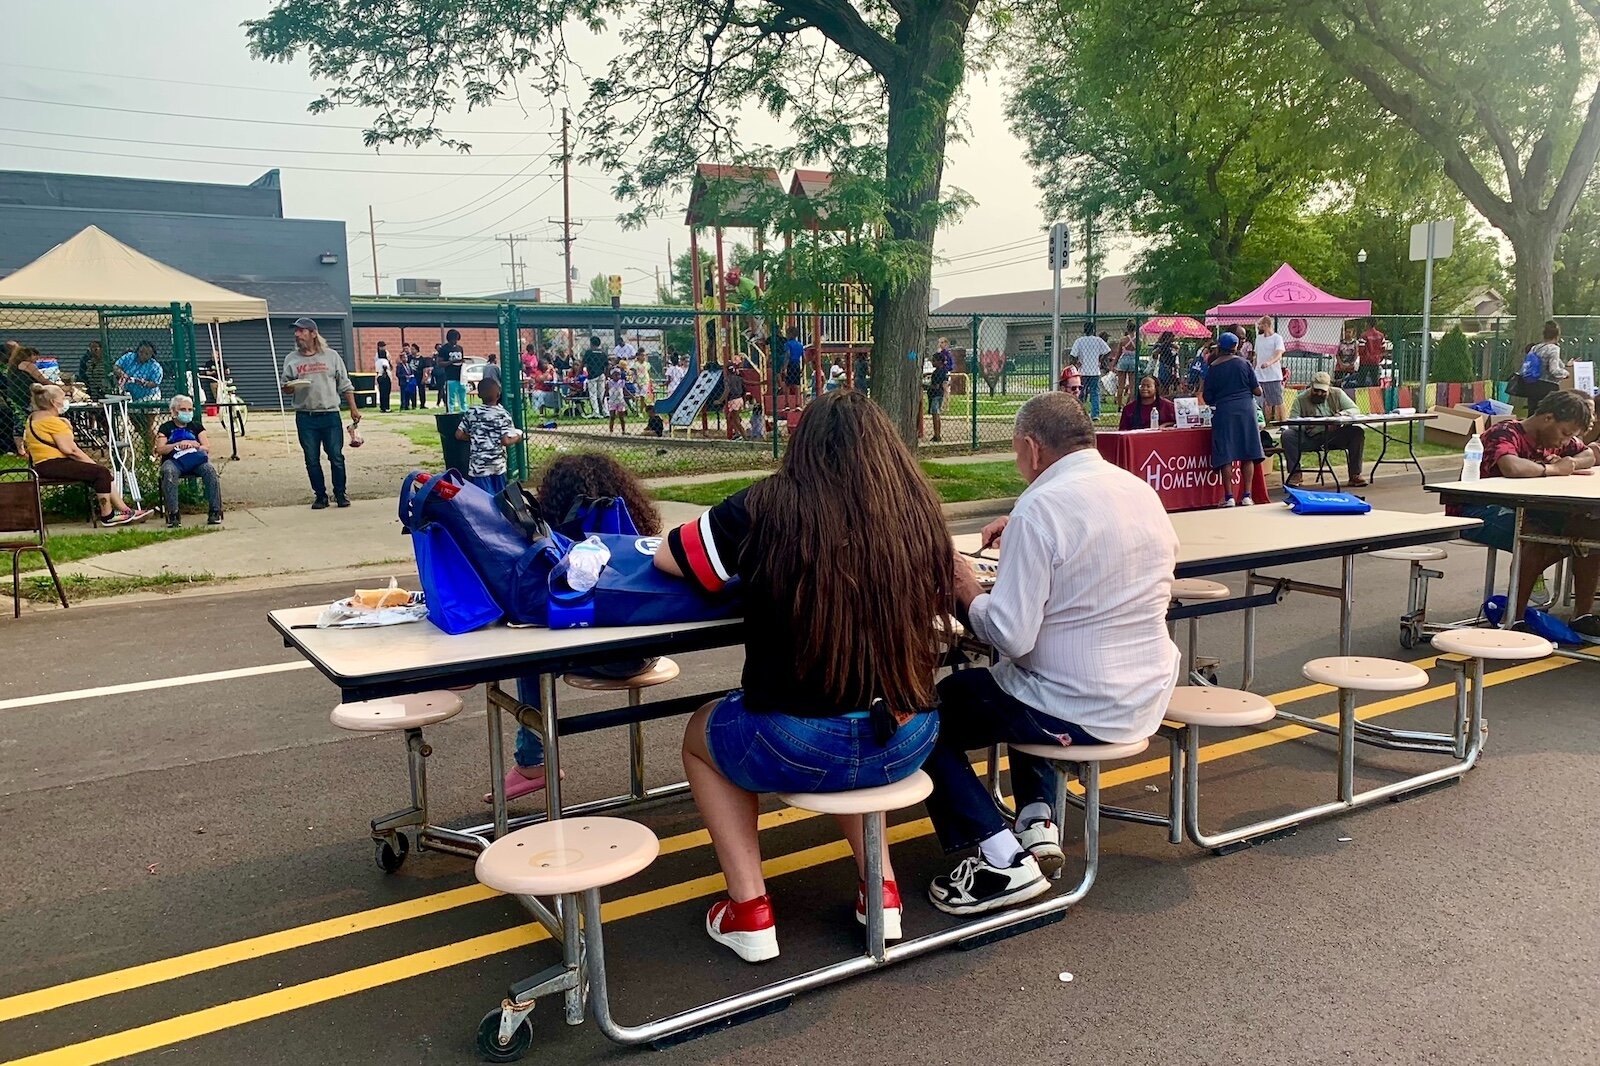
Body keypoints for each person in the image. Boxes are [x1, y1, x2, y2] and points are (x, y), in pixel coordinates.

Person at [652, 390, 947, 959]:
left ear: (802, 444)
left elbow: (673, 557)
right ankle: (882, 893)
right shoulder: (917, 509)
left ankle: (749, 909)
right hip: (910, 733)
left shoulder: (765, 505)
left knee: (700, 735)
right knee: (859, 727)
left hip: (798, 741)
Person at [923, 391, 1179, 915]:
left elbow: (1011, 635)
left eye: (1019, 456)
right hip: (1145, 694)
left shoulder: (1042, 507)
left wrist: (967, 589)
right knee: (1013, 684)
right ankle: (1037, 820)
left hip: (1079, 707)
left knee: (926, 716)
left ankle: (999, 858)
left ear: (1031, 449)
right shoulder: (1138, 491)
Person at [489, 453, 667, 803]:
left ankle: (533, 762)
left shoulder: (559, 540)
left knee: (530, 653)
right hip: (648, 651)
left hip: (599, 657)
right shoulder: (635, 528)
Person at [1447, 391, 1600, 630]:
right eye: (1565, 433)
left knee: (1592, 531)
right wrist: (1551, 470)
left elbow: (1590, 454)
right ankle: (1514, 619)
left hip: (1531, 510)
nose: (1564, 442)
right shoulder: (1506, 432)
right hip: (1477, 511)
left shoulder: (1556, 440)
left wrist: (1571, 463)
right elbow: (1511, 466)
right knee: (1534, 537)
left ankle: (1582, 616)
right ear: (1548, 418)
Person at [24, 383, 149, 526]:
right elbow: (70, 450)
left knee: (103, 474)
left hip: (41, 465)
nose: (66, 401)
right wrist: (91, 462)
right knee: (100, 472)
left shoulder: (33, 418)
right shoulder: (54, 423)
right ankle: (108, 515)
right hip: (54, 463)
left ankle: (125, 510)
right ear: (53, 402)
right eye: (63, 397)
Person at [282, 316, 361, 510]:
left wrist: (353, 408)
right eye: (296, 331)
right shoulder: (291, 359)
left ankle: (341, 494)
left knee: (336, 455)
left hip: (330, 414)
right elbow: (286, 385)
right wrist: (290, 387)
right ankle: (320, 496)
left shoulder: (331, 356)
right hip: (305, 416)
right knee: (311, 458)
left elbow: (345, 384)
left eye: (301, 331)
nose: (297, 335)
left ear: (313, 333)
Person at [1196, 332, 1263, 507]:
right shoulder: (1244, 363)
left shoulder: (1214, 368)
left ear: (1219, 347)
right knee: (1247, 452)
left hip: (1224, 411)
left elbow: (1208, 397)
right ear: (1236, 347)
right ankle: (1247, 495)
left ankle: (1229, 497)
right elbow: (1258, 392)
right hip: (1246, 410)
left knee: (1226, 454)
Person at [1282, 371, 1368, 488]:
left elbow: (1355, 409)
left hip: (1333, 436)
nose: (1319, 393)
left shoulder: (1337, 393)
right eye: (1316, 390)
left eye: (1323, 391)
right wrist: (1305, 426)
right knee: (1288, 435)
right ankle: (1295, 474)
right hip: (1310, 437)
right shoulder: (1300, 399)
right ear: (1311, 387)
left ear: (1329, 389)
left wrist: (1341, 414)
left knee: (1357, 432)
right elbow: (1292, 422)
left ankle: (1355, 475)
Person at [154, 394, 224, 527]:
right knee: (168, 472)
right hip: (174, 460)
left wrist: (194, 444)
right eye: (183, 409)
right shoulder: (166, 428)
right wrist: (178, 444)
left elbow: (206, 446)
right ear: (174, 411)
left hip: (194, 459)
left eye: (190, 409)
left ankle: (215, 511)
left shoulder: (196, 427)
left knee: (209, 470)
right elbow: (160, 449)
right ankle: (173, 513)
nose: (187, 413)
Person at [454, 377, 518, 495]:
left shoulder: (472, 412)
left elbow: (459, 434)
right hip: (498, 465)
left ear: (479, 395)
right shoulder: (503, 414)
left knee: (484, 500)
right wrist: (518, 436)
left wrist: (474, 437)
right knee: (501, 498)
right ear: (498, 394)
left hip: (479, 466)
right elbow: (506, 441)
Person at [1522, 321, 1568, 409]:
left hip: (1532, 385)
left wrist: (1565, 364)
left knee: (1532, 413)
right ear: (1557, 336)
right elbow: (1554, 370)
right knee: (1548, 414)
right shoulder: (1553, 349)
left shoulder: (1535, 348)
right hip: (1547, 387)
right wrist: (1565, 373)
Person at [1068, 321, 1110, 419]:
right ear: (1093, 330)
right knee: (1095, 392)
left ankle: (1080, 412)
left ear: (1084, 330)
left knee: (1081, 392)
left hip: (1083, 371)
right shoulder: (1098, 340)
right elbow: (1108, 351)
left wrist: (1075, 363)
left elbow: (1072, 355)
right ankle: (1095, 414)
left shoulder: (1079, 341)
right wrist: (1100, 359)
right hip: (1094, 370)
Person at [1252, 316, 1286, 423]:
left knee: (1277, 400)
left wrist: (1269, 363)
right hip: (1259, 374)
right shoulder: (1259, 338)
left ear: (1266, 325)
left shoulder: (1277, 338)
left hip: (1273, 375)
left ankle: (1283, 422)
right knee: (1261, 400)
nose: (1259, 327)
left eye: (1261, 325)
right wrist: (1253, 369)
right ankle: (1264, 422)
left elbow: (1278, 354)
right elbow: (1256, 356)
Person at [113, 340, 164, 406]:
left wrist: (143, 383)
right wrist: (122, 374)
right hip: (130, 394)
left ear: (152, 354)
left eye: (147, 353)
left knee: (149, 414)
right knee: (132, 414)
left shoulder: (155, 366)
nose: (143, 355)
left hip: (149, 395)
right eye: (141, 352)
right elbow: (116, 366)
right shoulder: (129, 357)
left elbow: (155, 383)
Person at [927, 336, 953, 442]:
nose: (932, 362)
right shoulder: (940, 370)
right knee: (935, 414)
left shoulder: (939, 371)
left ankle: (937, 435)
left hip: (936, 395)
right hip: (938, 394)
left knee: (935, 414)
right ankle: (936, 434)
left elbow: (937, 385)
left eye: (934, 360)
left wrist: (927, 386)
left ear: (939, 361)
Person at [439, 329, 468, 412]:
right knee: (451, 398)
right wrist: (451, 362)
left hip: (461, 377)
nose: (455, 341)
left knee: (463, 397)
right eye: (454, 339)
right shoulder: (444, 349)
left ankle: (464, 412)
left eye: (457, 339)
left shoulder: (460, 348)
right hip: (450, 376)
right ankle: (450, 413)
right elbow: (440, 363)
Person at [581, 335, 608, 418]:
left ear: (591, 343)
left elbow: (583, 363)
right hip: (601, 374)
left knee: (593, 394)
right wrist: (606, 375)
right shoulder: (603, 352)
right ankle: (606, 412)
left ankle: (596, 412)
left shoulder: (589, 352)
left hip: (592, 375)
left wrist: (580, 372)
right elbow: (606, 365)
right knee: (602, 395)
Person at [1356, 319, 1386, 388]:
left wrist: (1362, 356)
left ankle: (1361, 396)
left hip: (1365, 361)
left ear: (1368, 324)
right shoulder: (1381, 335)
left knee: (1361, 381)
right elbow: (1383, 348)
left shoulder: (1364, 335)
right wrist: (1379, 358)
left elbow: (1361, 349)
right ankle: (1376, 396)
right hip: (1375, 360)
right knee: (1375, 381)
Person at [1114, 321, 1139, 406]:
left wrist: (1114, 364)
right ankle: (1131, 404)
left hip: (1123, 361)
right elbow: (1137, 352)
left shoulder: (1123, 340)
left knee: (1121, 385)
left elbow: (1118, 354)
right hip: (1133, 361)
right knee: (1132, 386)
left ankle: (1120, 405)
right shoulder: (1138, 340)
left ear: (1127, 328)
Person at [721, 362, 747, 439]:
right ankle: (737, 433)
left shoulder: (727, 379)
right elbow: (745, 387)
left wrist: (720, 400)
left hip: (733, 400)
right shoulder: (739, 378)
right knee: (730, 417)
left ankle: (744, 436)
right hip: (739, 399)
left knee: (736, 421)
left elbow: (727, 390)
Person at [1153, 330, 1178, 395]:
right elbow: (1155, 353)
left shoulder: (1171, 346)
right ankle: (1162, 397)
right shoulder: (1164, 345)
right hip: (1164, 366)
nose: (1174, 338)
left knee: (1169, 385)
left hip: (1171, 367)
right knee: (1163, 385)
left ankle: (1166, 397)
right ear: (1168, 337)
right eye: (1172, 337)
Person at [605, 367, 629, 434]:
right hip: (612, 401)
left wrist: (631, 396)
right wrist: (603, 398)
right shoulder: (609, 383)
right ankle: (611, 430)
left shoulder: (621, 382)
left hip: (620, 401)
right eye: (615, 375)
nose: (617, 376)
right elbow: (606, 391)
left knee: (621, 417)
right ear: (612, 376)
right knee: (612, 416)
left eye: (619, 375)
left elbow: (625, 390)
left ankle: (623, 430)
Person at [374, 341, 392, 412]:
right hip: (385, 376)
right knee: (386, 392)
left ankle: (382, 407)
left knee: (382, 392)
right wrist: (385, 373)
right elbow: (385, 366)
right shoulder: (383, 360)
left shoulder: (377, 360)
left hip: (379, 376)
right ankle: (386, 407)